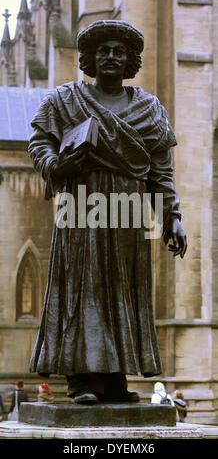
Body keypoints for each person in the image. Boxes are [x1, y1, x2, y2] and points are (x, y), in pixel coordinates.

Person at [28, 20, 187, 404]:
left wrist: (172, 217)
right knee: (85, 287)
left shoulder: (149, 109)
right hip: (81, 208)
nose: (111, 57)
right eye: (103, 51)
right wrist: (58, 164)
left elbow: (160, 173)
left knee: (125, 290)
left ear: (131, 59)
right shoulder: (64, 100)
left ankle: (115, 379)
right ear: (90, 58)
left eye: (119, 51)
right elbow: (39, 143)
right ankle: (83, 380)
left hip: (128, 214)